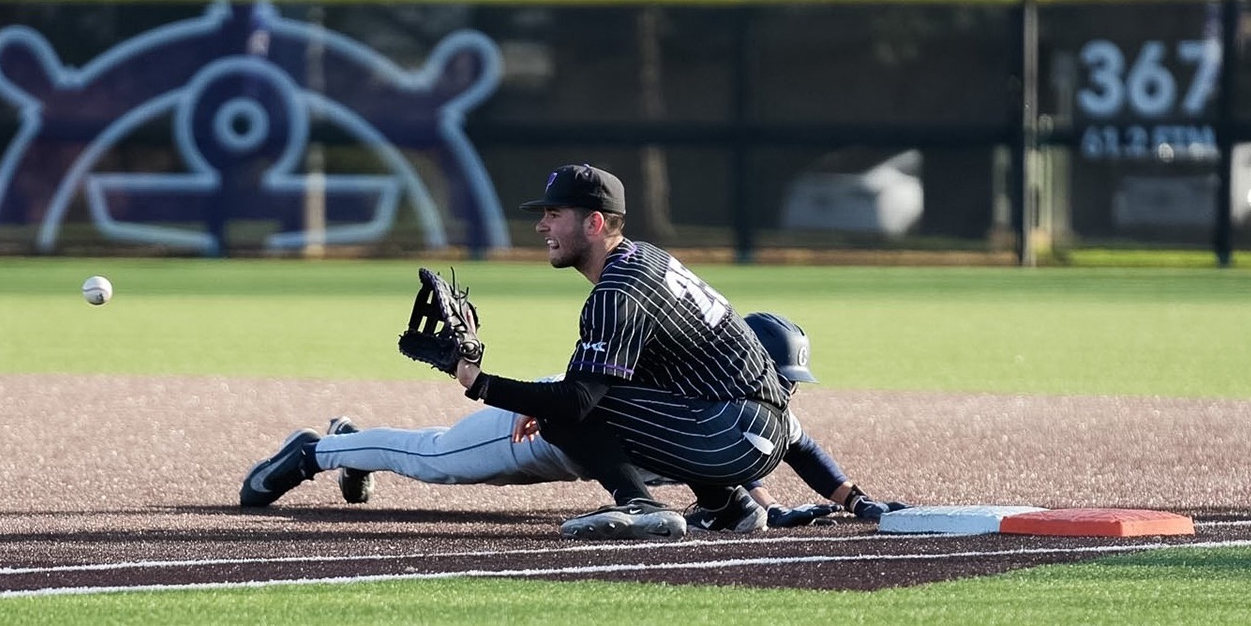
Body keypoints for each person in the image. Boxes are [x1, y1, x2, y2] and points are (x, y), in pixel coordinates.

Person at [246, 162, 796, 540]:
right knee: (547, 413)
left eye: (555, 214)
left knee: (450, 451)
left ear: (595, 222)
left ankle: (316, 451)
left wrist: (478, 382)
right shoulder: (651, 262)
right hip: (750, 434)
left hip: (722, 431)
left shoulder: (618, 292)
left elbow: (578, 404)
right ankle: (723, 504)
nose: (541, 225)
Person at [239, 311, 911, 531]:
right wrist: (536, 400)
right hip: (538, 434)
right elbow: (591, 393)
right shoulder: (685, 380)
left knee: (433, 458)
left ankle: (352, 445)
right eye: (777, 379)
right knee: (434, 459)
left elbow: (786, 448)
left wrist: (847, 501)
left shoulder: (742, 415)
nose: (782, 396)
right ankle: (320, 450)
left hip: (581, 450)